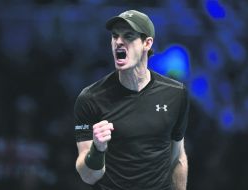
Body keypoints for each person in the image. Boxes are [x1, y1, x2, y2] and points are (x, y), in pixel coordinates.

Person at [74, 10, 189, 190]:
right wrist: (97, 149)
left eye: (128, 36)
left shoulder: (176, 94)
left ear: (147, 43)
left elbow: (177, 158)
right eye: (114, 36)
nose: (119, 41)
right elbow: (88, 176)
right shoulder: (90, 98)